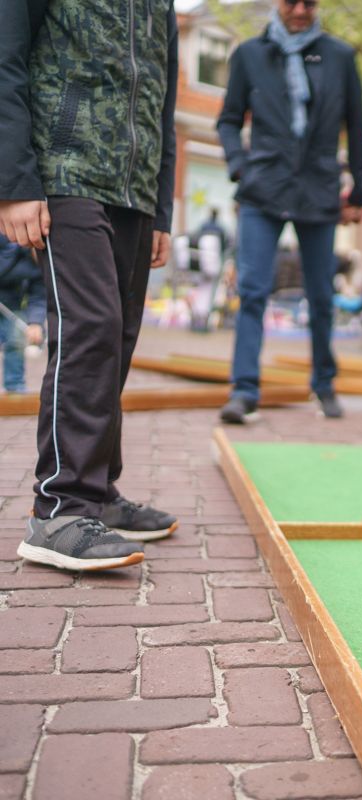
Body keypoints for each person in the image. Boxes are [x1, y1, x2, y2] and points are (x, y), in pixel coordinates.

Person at [0, 0, 181, 571]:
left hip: (134, 187)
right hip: (65, 170)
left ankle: (97, 492)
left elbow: (164, 97)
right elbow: (6, 59)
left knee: (119, 334)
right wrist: (13, 180)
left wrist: (162, 207)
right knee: (91, 326)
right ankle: (60, 508)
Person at [216, 0, 362, 424]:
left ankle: (324, 384)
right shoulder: (249, 54)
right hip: (262, 187)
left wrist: (359, 189)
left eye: (309, 3)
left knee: (321, 294)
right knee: (252, 290)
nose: (300, 10)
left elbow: (357, 127)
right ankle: (244, 390)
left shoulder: (340, 57)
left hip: (318, 188)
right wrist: (239, 166)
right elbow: (228, 120)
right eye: (291, 2)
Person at [0, 234, 45, 393]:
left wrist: (35, 322)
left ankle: (15, 389)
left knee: (16, 340)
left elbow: (39, 294)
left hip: (14, 304)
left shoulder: (34, 263)